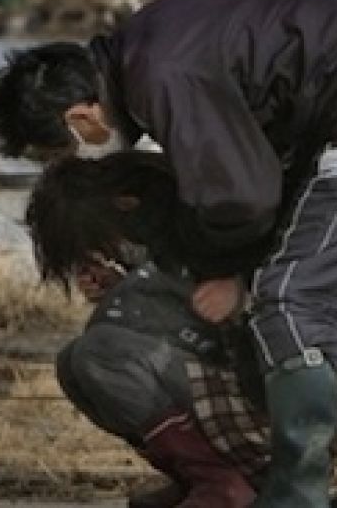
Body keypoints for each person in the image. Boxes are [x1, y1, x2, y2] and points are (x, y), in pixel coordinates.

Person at [0, 0, 337, 507]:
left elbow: (243, 197)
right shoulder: (152, 44)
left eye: (59, 151)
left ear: (81, 120)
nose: (79, 159)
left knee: (292, 298)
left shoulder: (160, 73)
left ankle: (296, 493)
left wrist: (230, 273)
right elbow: (257, 165)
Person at [27, 151, 272, 507]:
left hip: (265, 394)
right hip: (231, 383)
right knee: (72, 364)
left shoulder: (191, 223)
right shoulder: (150, 240)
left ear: (123, 205)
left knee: (98, 355)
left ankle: (221, 482)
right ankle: (198, 476)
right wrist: (117, 288)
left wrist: (121, 294)